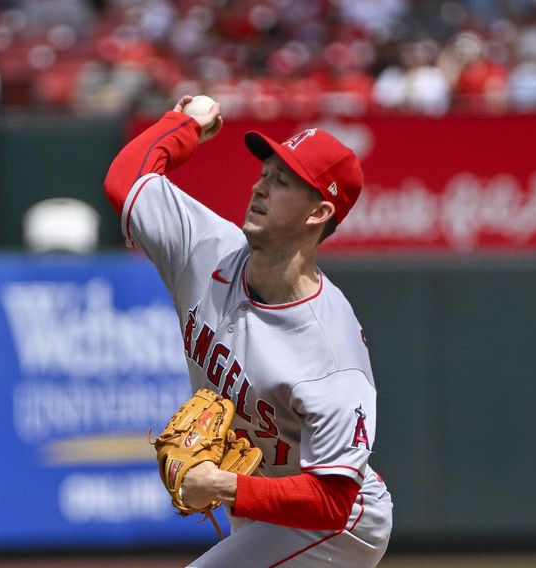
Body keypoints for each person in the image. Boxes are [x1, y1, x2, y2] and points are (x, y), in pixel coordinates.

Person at [104, 95, 392, 567]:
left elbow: (332, 500)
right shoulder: (206, 248)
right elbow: (127, 182)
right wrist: (184, 124)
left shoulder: (330, 351)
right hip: (264, 508)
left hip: (338, 526)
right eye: (264, 173)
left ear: (317, 213)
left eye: (282, 182)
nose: (260, 188)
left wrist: (222, 486)